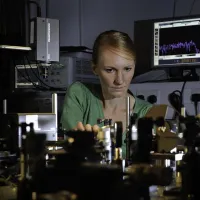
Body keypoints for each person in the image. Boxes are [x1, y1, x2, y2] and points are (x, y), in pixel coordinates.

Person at [61, 30, 152, 158]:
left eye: (127, 69)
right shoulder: (80, 95)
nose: (120, 80)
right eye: (110, 70)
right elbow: (71, 149)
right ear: (94, 68)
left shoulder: (147, 112)